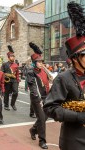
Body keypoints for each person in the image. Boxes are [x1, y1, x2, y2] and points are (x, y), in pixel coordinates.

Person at [43, 2, 85, 150]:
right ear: (74, 58)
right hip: (73, 141)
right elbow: (49, 108)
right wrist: (79, 116)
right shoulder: (63, 78)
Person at [27, 42, 49, 149]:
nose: (41, 63)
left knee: (45, 117)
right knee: (41, 118)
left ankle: (33, 129)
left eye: (41, 61)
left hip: (46, 97)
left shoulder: (44, 72)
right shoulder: (31, 72)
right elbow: (33, 87)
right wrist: (38, 97)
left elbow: (47, 84)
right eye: (38, 62)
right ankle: (42, 140)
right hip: (36, 98)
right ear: (34, 63)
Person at [1, 45, 19, 111]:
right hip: (7, 80)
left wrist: (17, 81)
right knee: (6, 93)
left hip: (14, 80)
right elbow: (1, 72)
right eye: (11, 56)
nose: (13, 57)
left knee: (16, 92)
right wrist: (5, 75)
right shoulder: (4, 64)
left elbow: (17, 74)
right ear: (8, 57)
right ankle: (6, 105)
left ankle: (13, 104)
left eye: (13, 56)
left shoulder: (16, 65)